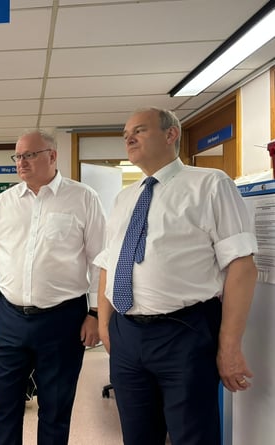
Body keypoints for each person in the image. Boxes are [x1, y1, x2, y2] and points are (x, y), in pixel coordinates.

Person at [95, 107, 258, 445]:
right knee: (137, 436)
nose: (129, 138)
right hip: (126, 334)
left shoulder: (210, 184)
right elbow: (108, 264)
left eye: (139, 130)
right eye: (126, 134)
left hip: (185, 333)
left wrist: (229, 346)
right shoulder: (125, 198)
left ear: (171, 135)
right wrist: (104, 325)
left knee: (192, 435)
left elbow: (241, 265)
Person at [0, 129, 105, 445]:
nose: (21, 162)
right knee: (4, 404)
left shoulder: (83, 198)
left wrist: (96, 313)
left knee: (55, 407)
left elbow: (100, 260)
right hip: (9, 317)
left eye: (29, 155)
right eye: (17, 156)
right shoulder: (6, 202)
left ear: (52, 155)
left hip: (63, 319)